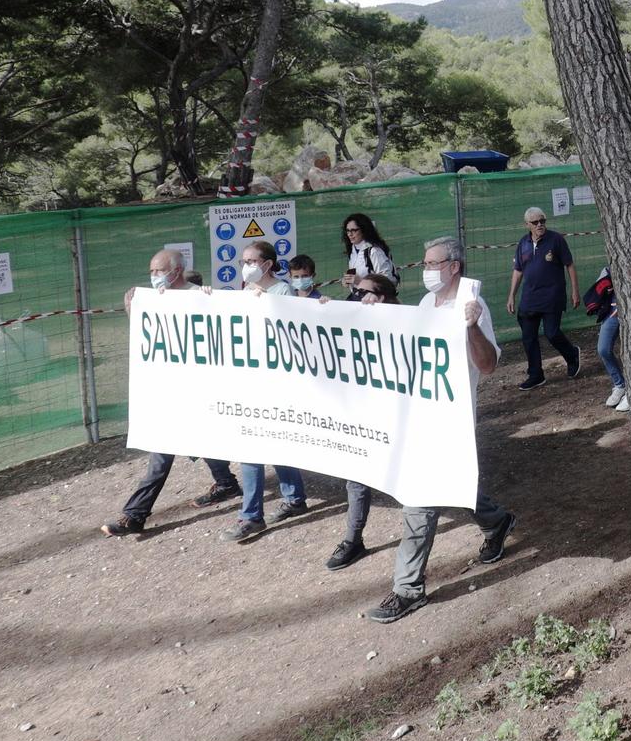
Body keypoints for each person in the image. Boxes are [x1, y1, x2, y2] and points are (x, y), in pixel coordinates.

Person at [349, 237, 516, 623]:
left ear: (454, 266)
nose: (425, 271)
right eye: (423, 264)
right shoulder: (427, 303)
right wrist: (377, 312)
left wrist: (472, 327)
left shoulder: (473, 307)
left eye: (432, 263)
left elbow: (488, 364)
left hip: (452, 421)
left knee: (419, 499)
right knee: (452, 485)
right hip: (423, 418)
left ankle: (407, 589)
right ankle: (497, 520)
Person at [100, 250, 241, 536]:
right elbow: (148, 339)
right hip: (170, 393)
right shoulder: (153, 301)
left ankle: (135, 515)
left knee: (180, 448)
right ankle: (137, 514)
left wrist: (210, 300)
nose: (153, 277)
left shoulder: (199, 297)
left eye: (158, 271)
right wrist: (133, 310)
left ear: (176, 272)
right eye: (151, 271)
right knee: (173, 449)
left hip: (198, 390)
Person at [224, 240, 309, 543]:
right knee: (272, 442)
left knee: (254, 448)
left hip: (274, 383)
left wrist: (265, 305)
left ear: (267, 264)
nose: (245, 266)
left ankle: (251, 516)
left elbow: (290, 331)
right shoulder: (245, 292)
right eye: (242, 261)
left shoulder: (282, 291)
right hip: (250, 380)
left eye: (251, 260)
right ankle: (294, 497)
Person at [507, 207, 581, 391]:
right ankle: (536, 374)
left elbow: (569, 265)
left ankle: (572, 355)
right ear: (527, 225)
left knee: (552, 332)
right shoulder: (523, 243)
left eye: (542, 221)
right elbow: (518, 271)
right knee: (528, 337)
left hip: (552, 296)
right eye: (535, 222)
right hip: (529, 298)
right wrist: (511, 296)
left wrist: (575, 291)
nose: (540, 225)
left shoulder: (556, 240)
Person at [583, 267, 627, 411]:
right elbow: (599, 288)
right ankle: (620, 385)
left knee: (630, 352)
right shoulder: (608, 268)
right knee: (603, 349)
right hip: (613, 310)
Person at [341, 213, 398, 292]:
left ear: (364, 230)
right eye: (347, 231)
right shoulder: (353, 250)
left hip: (375, 300)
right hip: (359, 297)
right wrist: (346, 281)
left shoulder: (374, 251)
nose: (350, 234)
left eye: (354, 230)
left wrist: (361, 282)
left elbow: (388, 281)